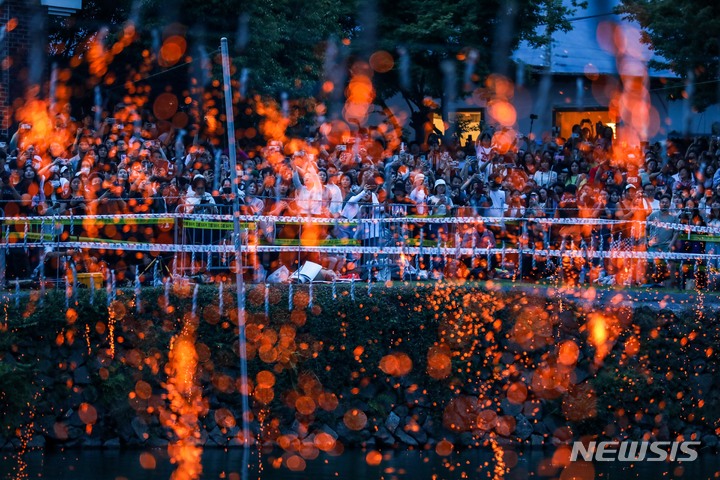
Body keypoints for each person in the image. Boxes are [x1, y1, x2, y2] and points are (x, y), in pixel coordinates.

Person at [646, 195, 679, 286]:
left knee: (671, 263)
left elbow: (676, 232)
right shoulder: (653, 215)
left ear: (669, 204)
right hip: (654, 245)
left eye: (666, 202)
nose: (664, 204)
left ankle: (672, 284)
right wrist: (647, 241)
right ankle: (650, 283)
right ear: (660, 204)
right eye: (662, 202)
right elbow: (646, 228)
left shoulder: (674, 217)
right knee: (649, 262)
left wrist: (671, 244)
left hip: (666, 245)